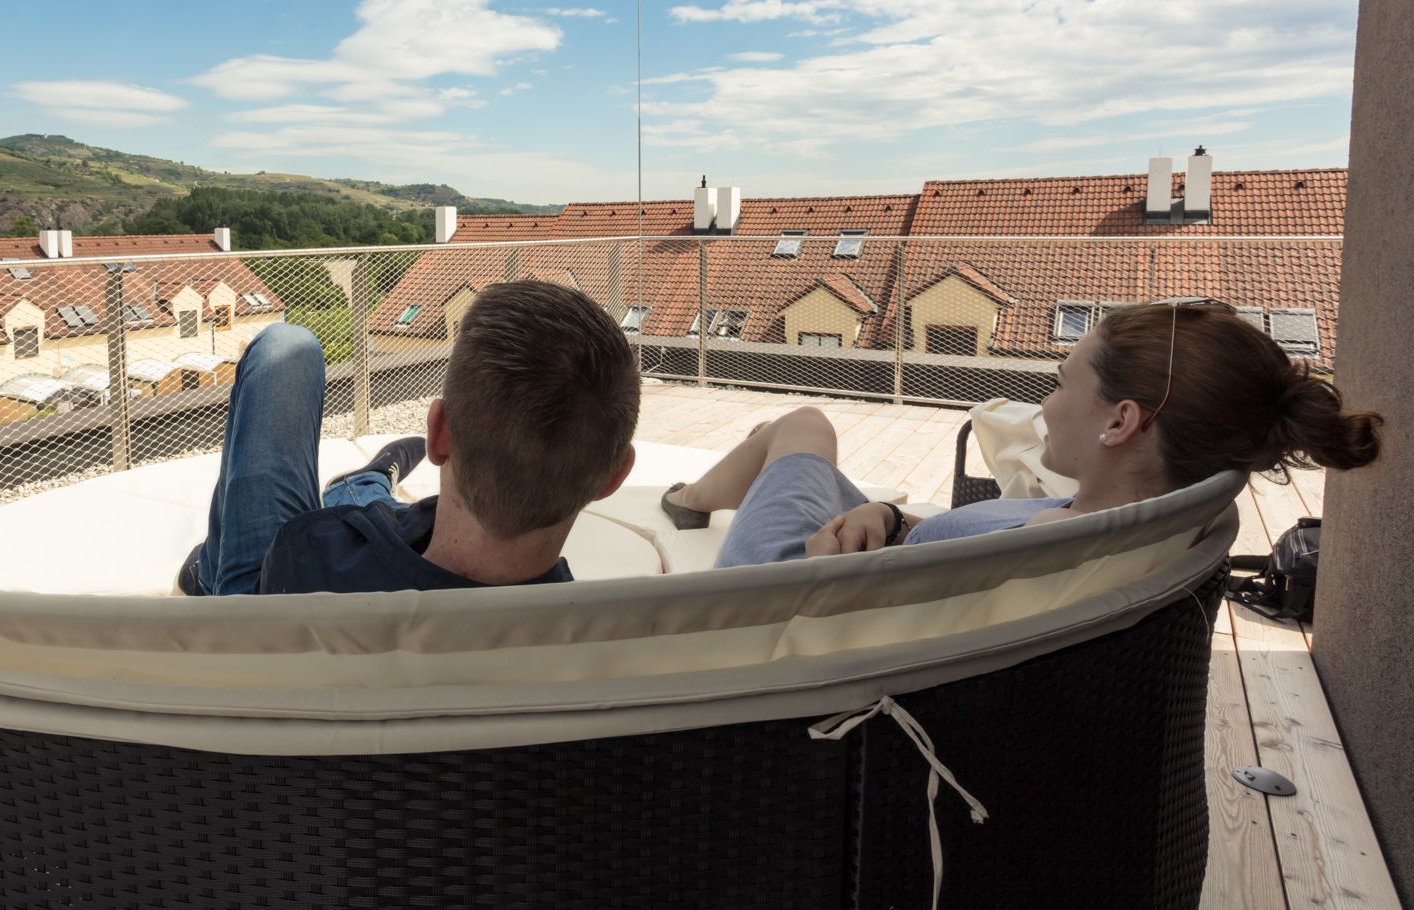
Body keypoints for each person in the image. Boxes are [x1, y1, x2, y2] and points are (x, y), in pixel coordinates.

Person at [658, 299, 1382, 566]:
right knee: (797, 426)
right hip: (879, 547)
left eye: (1064, 381)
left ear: (1121, 421)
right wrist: (888, 516)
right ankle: (695, 494)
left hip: (792, 580)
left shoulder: (1028, 552)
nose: (1046, 401)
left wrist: (829, 567)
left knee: (800, 422)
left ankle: (691, 497)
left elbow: (830, 621)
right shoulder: (1109, 531)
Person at [177, 279, 641, 595]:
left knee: (287, 347)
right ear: (614, 475)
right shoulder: (592, 635)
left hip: (262, 616)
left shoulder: (303, 551)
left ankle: (212, 570)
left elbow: (289, 562)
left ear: (439, 435)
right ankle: (370, 481)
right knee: (378, 508)